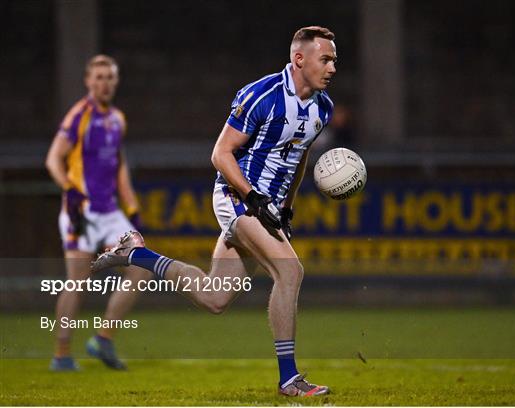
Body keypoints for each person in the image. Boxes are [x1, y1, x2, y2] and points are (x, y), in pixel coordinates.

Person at [93, 26, 336, 396]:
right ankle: (289, 379)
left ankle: (137, 254)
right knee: (290, 272)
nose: (333, 67)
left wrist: (286, 206)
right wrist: (254, 197)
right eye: (326, 59)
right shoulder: (262, 95)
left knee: (214, 297)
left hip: (266, 205)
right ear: (299, 59)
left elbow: (299, 155)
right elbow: (220, 154)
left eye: (334, 59)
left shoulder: (323, 108)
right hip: (236, 196)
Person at [45, 55, 150, 371]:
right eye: (99, 77)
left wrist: (131, 208)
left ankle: (103, 338)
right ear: (88, 82)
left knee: (141, 268)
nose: (104, 83)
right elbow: (53, 159)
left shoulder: (117, 118)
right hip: (83, 210)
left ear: (116, 82)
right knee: (78, 282)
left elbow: (119, 167)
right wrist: (71, 191)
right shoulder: (79, 115)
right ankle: (62, 354)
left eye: (109, 77)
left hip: (110, 212)